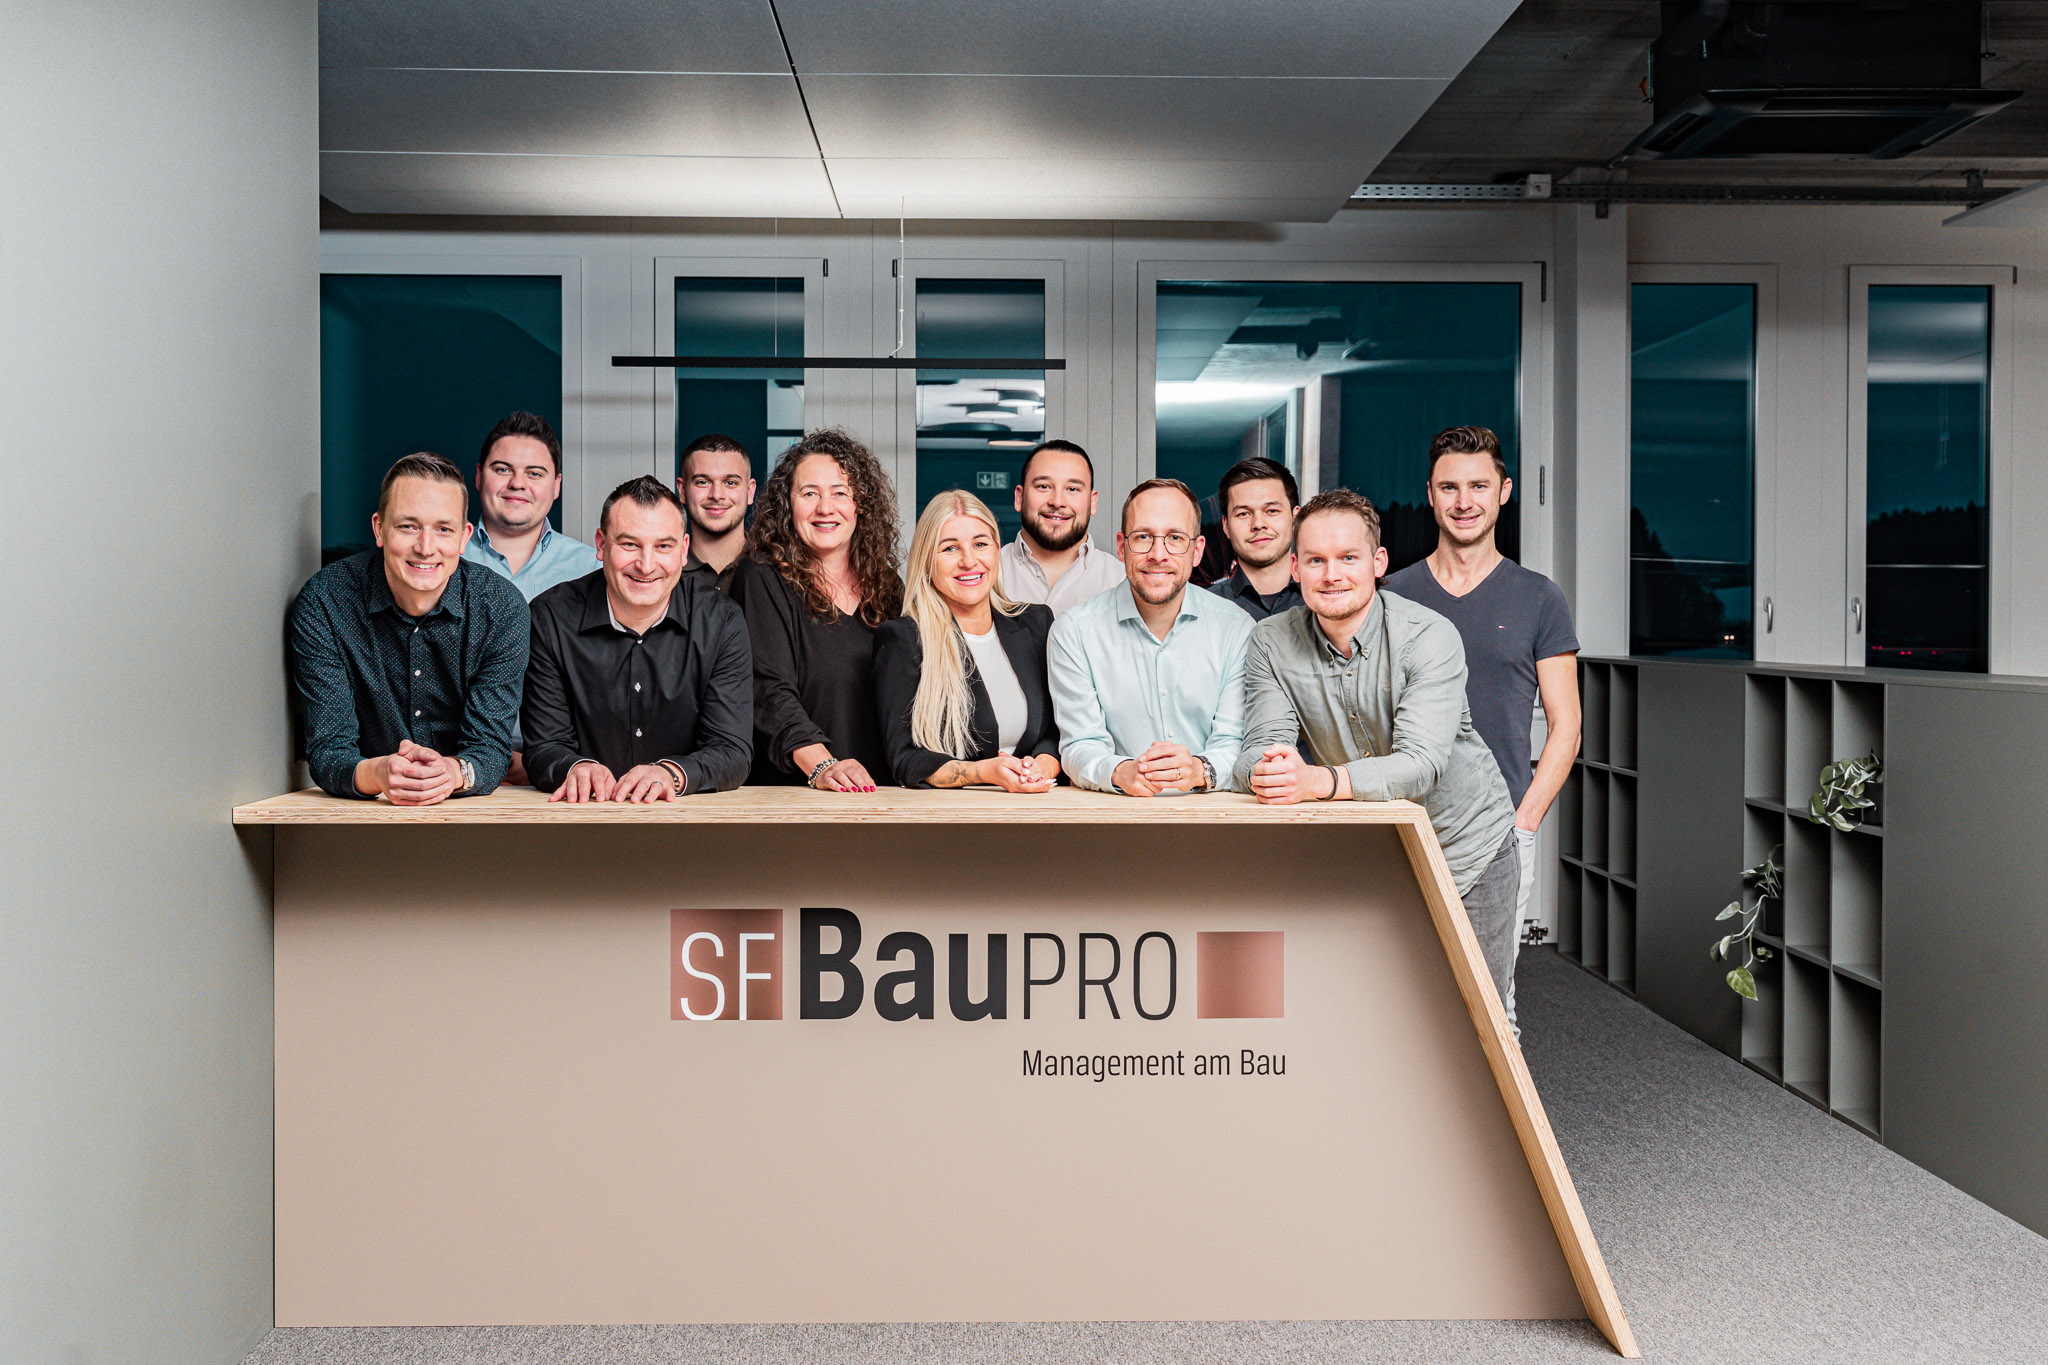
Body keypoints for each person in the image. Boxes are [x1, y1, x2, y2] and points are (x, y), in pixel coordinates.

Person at [1236, 489, 1523, 1027]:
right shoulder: (1271, 641)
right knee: (1379, 1021)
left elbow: (1420, 764)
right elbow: (1259, 744)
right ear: (1295, 568)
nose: (1332, 575)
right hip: (1372, 853)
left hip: (1466, 848)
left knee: (1482, 1020)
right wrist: (1268, 770)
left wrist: (1315, 781)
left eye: (1348, 557)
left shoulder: (1428, 636)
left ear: (1378, 562)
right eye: (1316, 560)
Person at [1383, 424, 1580, 1016]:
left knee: (1492, 1002)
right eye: (1449, 487)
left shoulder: (1539, 597)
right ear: (1430, 494)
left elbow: (1567, 726)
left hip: (1501, 829)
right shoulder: (1392, 595)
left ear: (1504, 492)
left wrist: (1525, 821)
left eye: (1478, 486)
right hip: (1410, 822)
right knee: (1404, 990)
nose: (1463, 501)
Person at [289, 451, 527, 804]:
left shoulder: (501, 608)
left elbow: (489, 751)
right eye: (408, 526)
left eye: (443, 529)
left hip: (468, 813)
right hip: (362, 816)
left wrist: (450, 772)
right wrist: (378, 772)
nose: (425, 548)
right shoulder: (326, 602)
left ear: (464, 538)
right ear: (379, 529)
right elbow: (328, 751)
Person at [521, 476, 753, 802]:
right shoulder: (550, 619)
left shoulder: (721, 621)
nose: (646, 565)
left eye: (663, 546)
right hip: (584, 813)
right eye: (629, 544)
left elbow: (731, 750)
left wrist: (670, 774)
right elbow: (544, 747)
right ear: (601, 545)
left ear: (683, 550)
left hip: (687, 817)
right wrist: (575, 768)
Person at [1048, 478, 1252, 796]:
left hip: (1213, 814)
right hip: (1115, 814)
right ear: (1121, 546)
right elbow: (1080, 744)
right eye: (1143, 537)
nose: (1158, 554)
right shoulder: (1073, 632)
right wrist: (1119, 771)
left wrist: (1199, 770)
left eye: (1175, 538)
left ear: (1197, 550)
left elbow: (1234, 741)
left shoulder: (1236, 630)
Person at [729, 429, 904, 792]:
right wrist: (823, 766)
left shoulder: (888, 587)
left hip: (880, 792)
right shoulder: (762, 576)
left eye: (840, 493)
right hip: (798, 791)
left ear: (860, 504)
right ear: (787, 504)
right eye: (809, 493)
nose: (825, 508)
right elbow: (768, 690)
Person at [875, 491, 1062, 791]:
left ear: (997, 551)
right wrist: (985, 772)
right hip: (951, 814)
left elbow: (1058, 730)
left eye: (980, 544)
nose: (969, 560)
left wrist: (1039, 767)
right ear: (927, 561)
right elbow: (904, 758)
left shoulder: (1036, 623)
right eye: (950, 548)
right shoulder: (904, 639)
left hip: (1036, 806)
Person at [460, 411, 599, 599]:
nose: (517, 483)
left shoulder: (593, 569)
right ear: (479, 476)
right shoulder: (440, 559)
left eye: (534, 474)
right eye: (503, 470)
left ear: (556, 486)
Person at [1000, 439, 1125, 616]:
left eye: (1072, 489)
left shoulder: (1122, 581)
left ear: (1092, 502)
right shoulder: (986, 574)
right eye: (1044, 486)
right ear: (1019, 498)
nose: (1057, 502)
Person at [1208, 456, 1304, 621]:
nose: (1258, 524)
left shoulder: (1325, 600)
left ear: (1295, 518)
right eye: (1243, 514)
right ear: (1226, 526)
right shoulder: (1206, 609)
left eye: (1272, 511)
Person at [677, 432, 756, 594]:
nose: (717, 495)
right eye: (703, 482)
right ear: (682, 490)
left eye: (730, 482)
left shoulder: (777, 569)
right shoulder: (663, 571)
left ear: (750, 492)